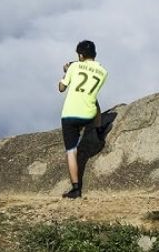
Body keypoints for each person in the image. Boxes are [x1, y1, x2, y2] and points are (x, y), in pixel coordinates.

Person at [58, 40, 108, 199]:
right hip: (89, 114)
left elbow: (61, 88)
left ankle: (75, 189)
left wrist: (66, 72)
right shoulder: (103, 72)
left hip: (70, 115)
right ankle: (99, 129)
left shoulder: (73, 67)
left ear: (80, 55)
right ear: (94, 54)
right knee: (93, 99)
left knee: (71, 152)